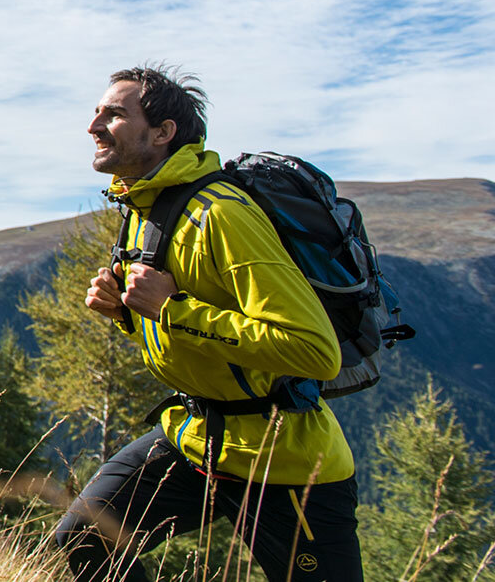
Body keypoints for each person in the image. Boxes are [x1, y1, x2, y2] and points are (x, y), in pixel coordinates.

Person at [52, 66, 362, 582]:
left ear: (163, 132)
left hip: (284, 463)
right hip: (196, 438)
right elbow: (190, 328)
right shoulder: (146, 208)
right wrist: (128, 315)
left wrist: (171, 311)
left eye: (114, 114)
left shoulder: (221, 214)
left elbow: (314, 351)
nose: (94, 125)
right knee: (86, 540)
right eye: (97, 112)